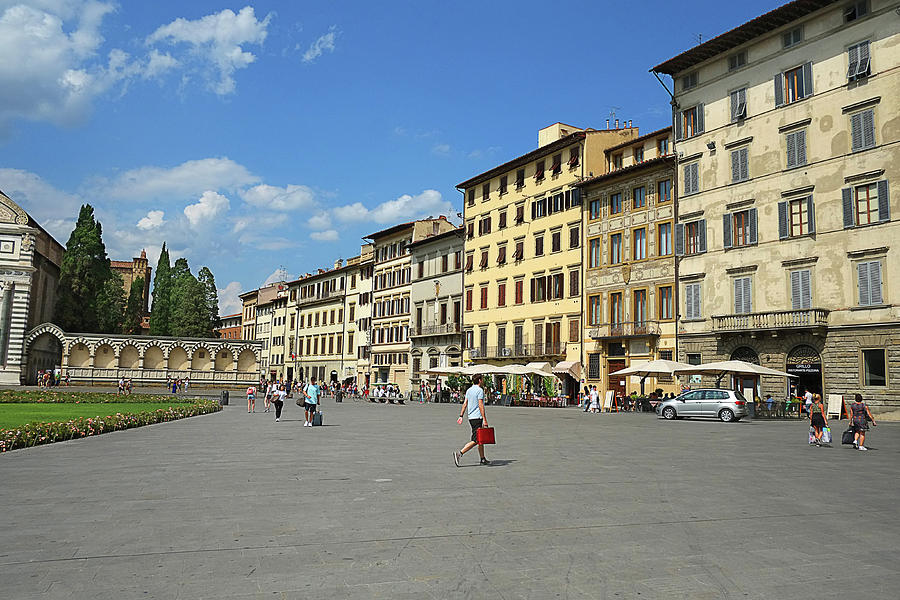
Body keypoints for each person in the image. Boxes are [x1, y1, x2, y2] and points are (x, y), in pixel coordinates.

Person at [453, 374, 490, 466]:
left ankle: (482, 458)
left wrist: (461, 415)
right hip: (477, 417)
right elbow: (480, 405)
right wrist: (485, 419)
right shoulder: (479, 390)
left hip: (471, 417)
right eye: (482, 379)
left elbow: (465, 403)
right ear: (480, 380)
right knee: (476, 439)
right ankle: (460, 453)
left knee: (480, 438)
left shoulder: (469, 390)